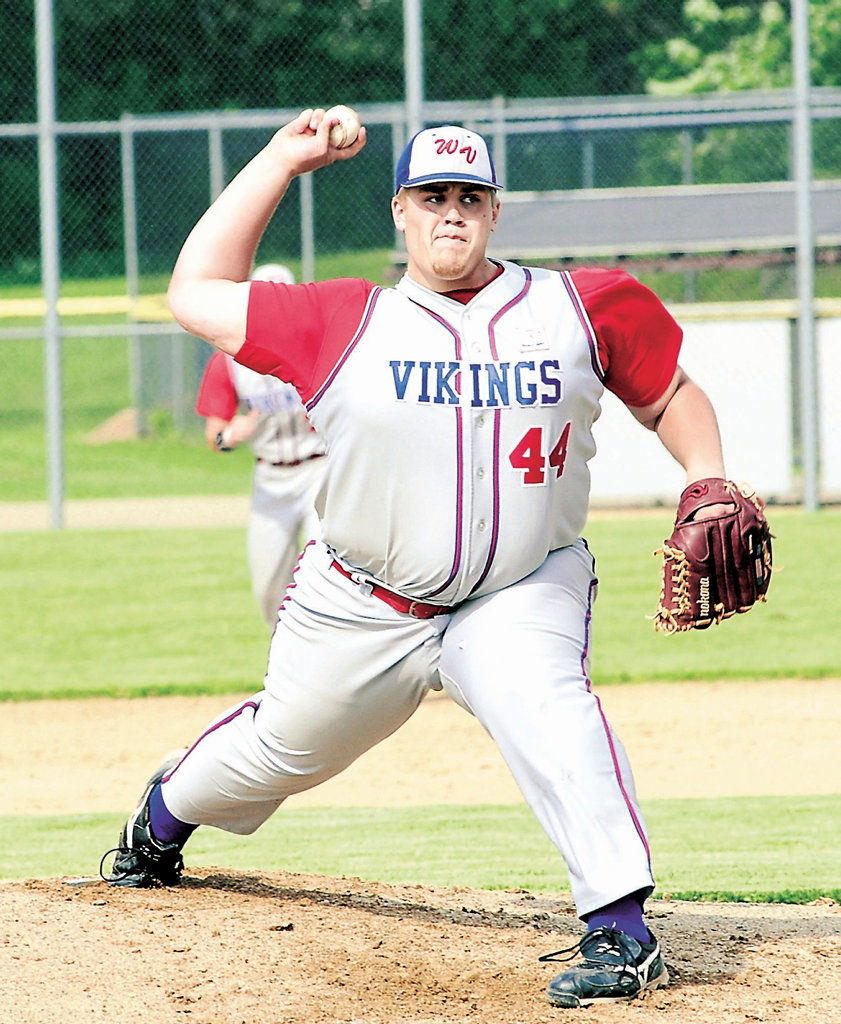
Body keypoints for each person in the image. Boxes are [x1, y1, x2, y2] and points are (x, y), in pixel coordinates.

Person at [102, 109, 735, 1009]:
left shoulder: (576, 307)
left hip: (520, 586)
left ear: (493, 212)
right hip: (363, 598)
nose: (450, 213)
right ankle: (160, 820)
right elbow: (194, 287)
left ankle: (622, 929)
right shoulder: (339, 317)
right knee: (283, 749)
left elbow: (667, 391)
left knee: (547, 710)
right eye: (431, 195)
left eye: (468, 196)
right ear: (400, 210)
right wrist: (283, 160)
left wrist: (705, 478)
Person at [195, 262, 326, 627]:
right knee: (268, 585)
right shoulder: (231, 361)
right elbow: (215, 437)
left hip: (321, 469)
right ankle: (286, 664)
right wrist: (229, 437)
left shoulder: (319, 349)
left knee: (324, 570)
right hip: (270, 480)